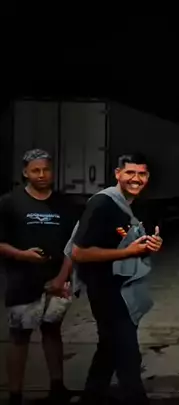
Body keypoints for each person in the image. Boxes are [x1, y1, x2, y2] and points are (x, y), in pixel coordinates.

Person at [69, 154, 163, 405]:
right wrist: (127, 252)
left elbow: (140, 241)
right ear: (117, 174)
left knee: (109, 346)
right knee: (127, 353)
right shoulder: (102, 204)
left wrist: (153, 244)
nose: (136, 179)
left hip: (126, 287)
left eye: (142, 174)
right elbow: (79, 252)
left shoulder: (140, 204)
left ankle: (92, 396)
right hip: (105, 289)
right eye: (130, 173)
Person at [0, 149, 75, 405]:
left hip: (56, 282)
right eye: (35, 170)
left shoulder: (64, 204)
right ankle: (15, 395)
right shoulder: (9, 202)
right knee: (19, 336)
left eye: (46, 170)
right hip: (22, 281)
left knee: (52, 332)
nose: (42, 175)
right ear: (25, 172)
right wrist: (23, 255)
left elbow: (74, 245)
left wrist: (63, 277)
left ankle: (58, 388)